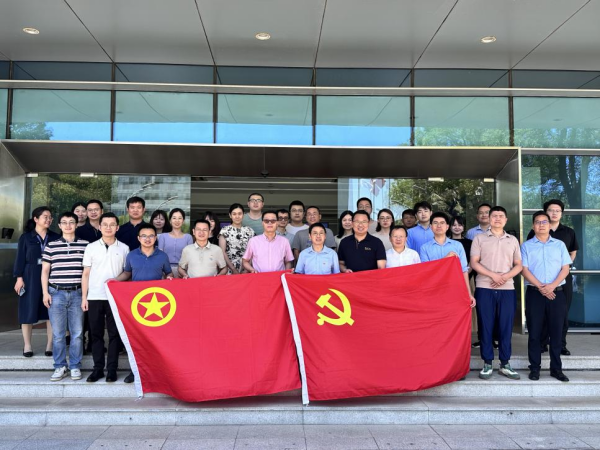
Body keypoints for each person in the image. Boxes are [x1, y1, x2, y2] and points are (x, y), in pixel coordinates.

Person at [115, 223, 173, 384]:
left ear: (156, 238)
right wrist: (113, 281)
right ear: (138, 238)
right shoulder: (131, 255)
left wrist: (170, 278)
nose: (148, 239)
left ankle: (157, 372)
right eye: (144, 236)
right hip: (137, 305)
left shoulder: (162, 256)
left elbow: (168, 273)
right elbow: (127, 273)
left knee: (157, 341)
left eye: (151, 236)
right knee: (136, 341)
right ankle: (135, 371)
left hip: (157, 305)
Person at [470, 206, 523, 381]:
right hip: (484, 287)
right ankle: (487, 363)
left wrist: (504, 277)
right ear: (489, 218)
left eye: (501, 216)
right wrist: (493, 275)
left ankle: (505, 363)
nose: (497, 218)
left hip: (507, 288)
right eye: (494, 216)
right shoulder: (479, 238)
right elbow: (474, 262)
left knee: (506, 326)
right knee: (486, 325)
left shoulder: (512, 240)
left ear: (506, 220)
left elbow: (518, 265)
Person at [521, 211, 572, 382]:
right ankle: (534, 368)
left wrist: (551, 286)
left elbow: (565, 268)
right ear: (533, 226)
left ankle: (556, 369)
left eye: (544, 222)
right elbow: (524, 270)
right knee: (534, 333)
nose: (541, 225)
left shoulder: (559, 245)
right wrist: (541, 287)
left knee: (556, 333)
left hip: (557, 294)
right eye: (537, 222)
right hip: (535, 295)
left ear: (550, 225)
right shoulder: (526, 246)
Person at [526, 199, 578, 356]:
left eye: (557, 210)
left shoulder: (569, 232)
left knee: (561, 312)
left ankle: (561, 344)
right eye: (551, 210)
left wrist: (562, 269)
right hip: (540, 281)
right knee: (540, 314)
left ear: (561, 213)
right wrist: (543, 286)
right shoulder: (535, 232)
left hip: (561, 278)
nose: (554, 213)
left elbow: (572, 252)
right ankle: (542, 343)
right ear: (545, 212)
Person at [82, 212, 129, 383]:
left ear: (117, 227)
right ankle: (98, 369)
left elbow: (127, 273)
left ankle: (112, 370)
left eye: (112, 224)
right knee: (95, 334)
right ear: (100, 227)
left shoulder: (124, 248)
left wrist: (116, 282)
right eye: (105, 225)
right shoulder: (91, 247)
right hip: (94, 296)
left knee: (115, 334)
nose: (108, 228)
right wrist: (84, 297)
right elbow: (86, 274)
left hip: (115, 298)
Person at [41, 212, 88, 381]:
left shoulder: (85, 245)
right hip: (56, 293)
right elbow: (45, 271)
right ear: (59, 226)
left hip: (77, 293)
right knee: (58, 334)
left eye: (71, 222)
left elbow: (87, 272)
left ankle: (75, 366)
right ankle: (60, 366)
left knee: (77, 333)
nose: (68, 225)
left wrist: (85, 296)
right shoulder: (51, 246)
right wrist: (45, 293)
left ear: (76, 224)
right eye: (64, 222)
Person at [13, 206, 60, 358]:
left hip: (51, 275)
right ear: (35, 219)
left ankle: (49, 345)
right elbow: (20, 258)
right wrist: (19, 278)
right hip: (30, 275)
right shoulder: (26, 237)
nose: (49, 219)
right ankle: (27, 345)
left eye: (50, 217)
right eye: (45, 217)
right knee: (27, 309)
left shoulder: (55, 237)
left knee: (51, 310)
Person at [419, 212, 476, 308]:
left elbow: (464, 270)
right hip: (433, 289)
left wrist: (468, 293)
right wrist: (446, 259)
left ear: (447, 226)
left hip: (454, 288)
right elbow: (426, 271)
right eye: (435, 223)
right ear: (431, 227)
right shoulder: (424, 248)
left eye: (442, 223)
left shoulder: (457, 245)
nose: (439, 226)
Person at [219, 203, 255, 275]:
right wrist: (233, 269)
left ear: (243, 215)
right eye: (234, 214)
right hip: (229, 268)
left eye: (239, 214)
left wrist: (247, 268)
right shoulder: (224, 231)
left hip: (247, 269)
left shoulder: (250, 231)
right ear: (230, 215)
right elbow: (222, 251)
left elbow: (252, 251)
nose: (237, 216)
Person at [157, 208, 193, 278]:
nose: (177, 221)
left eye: (180, 218)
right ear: (170, 220)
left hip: (183, 271)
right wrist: (165, 272)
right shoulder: (163, 236)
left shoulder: (188, 237)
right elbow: (160, 256)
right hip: (165, 271)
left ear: (183, 221)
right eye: (174, 218)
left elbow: (190, 257)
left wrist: (184, 272)